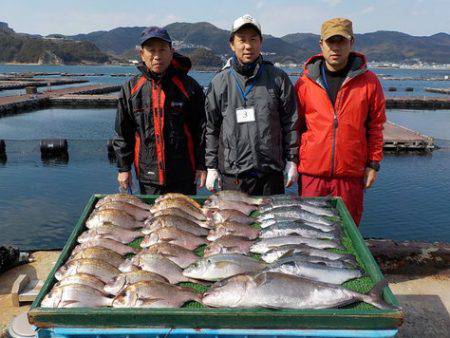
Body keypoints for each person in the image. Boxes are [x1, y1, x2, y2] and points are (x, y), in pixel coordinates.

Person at [295, 18, 386, 225]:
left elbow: (376, 126)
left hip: (350, 173)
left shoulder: (369, 82)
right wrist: (292, 161)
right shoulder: (305, 82)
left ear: (351, 43)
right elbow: (295, 125)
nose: (335, 48)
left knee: (346, 229)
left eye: (341, 42)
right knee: (308, 230)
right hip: (312, 172)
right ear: (321, 44)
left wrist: (373, 164)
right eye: (330, 42)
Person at [205, 14, 299, 196]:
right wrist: (211, 166)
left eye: (253, 39)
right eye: (242, 40)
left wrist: (292, 160)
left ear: (261, 42)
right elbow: (211, 128)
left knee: (271, 224)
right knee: (233, 223)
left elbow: (291, 122)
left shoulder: (278, 78)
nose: (248, 46)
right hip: (233, 175)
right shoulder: (219, 82)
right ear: (232, 44)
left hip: (270, 174)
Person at [113, 27, 207, 195]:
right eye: (151, 50)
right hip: (148, 176)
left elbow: (201, 130)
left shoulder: (189, 87)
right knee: (153, 220)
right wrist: (123, 168)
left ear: (171, 52)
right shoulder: (131, 89)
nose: (157, 56)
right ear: (142, 54)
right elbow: (123, 133)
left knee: (184, 220)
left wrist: (202, 165)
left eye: (162, 49)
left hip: (183, 174)